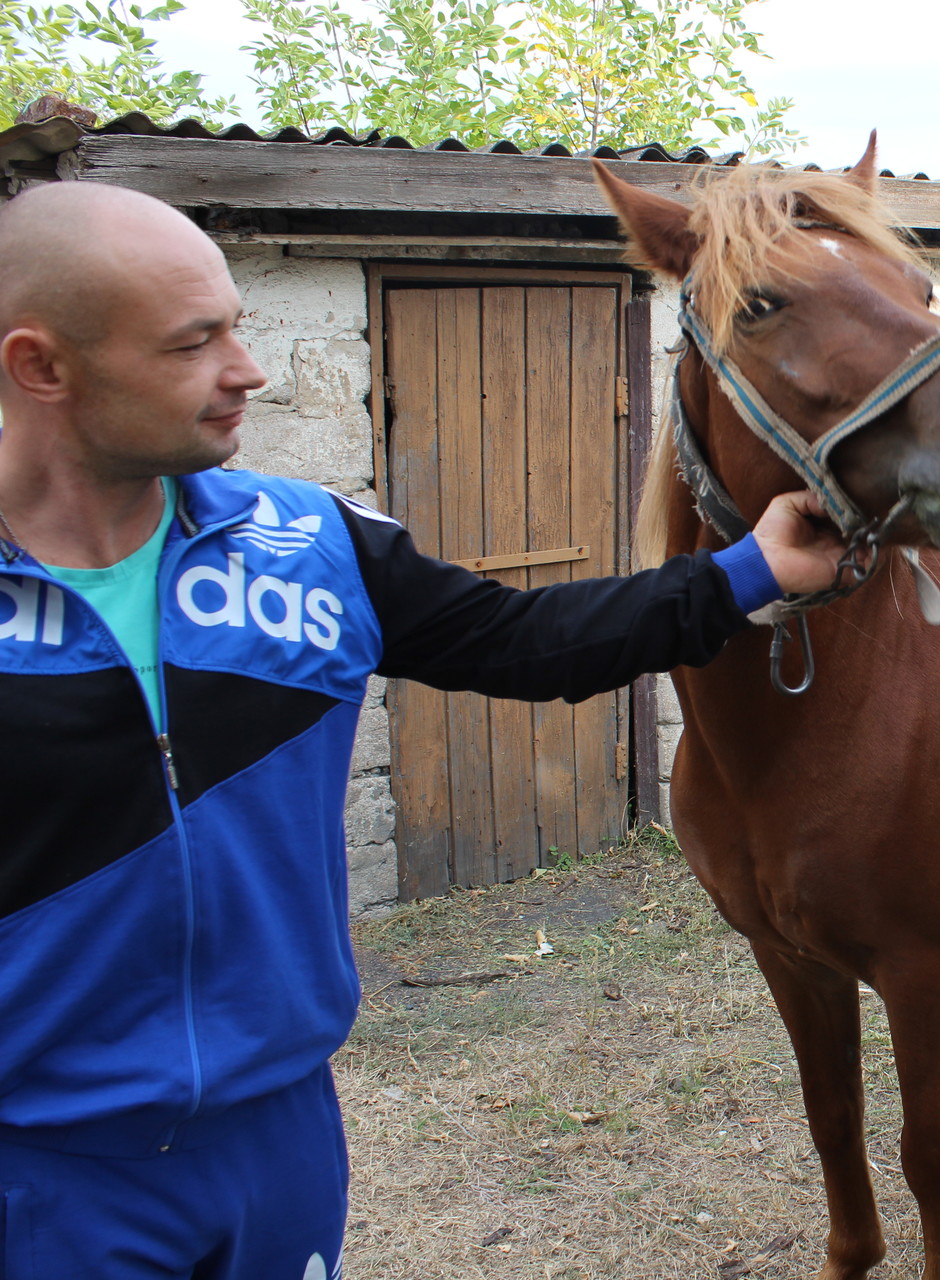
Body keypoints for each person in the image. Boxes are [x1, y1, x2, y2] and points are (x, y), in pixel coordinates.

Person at [0, 181, 845, 1280]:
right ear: (42, 367)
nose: (247, 370)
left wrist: (750, 570)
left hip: (281, 1141)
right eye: (192, 343)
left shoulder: (310, 543)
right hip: (47, 1173)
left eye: (239, 326)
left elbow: (522, 640)